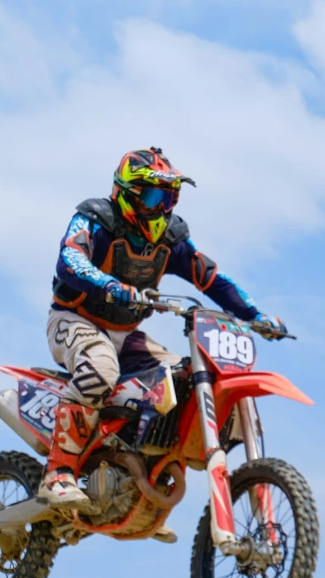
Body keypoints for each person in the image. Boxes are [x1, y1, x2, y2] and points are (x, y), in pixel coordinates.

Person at [39, 147, 285, 510]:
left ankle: (140, 482)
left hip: (127, 336)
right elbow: (69, 260)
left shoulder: (171, 239)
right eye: (156, 195)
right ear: (129, 192)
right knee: (101, 371)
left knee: (182, 383)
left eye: (170, 196)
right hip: (75, 321)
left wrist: (255, 316)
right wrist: (110, 285)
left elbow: (212, 278)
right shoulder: (95, 217)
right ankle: (58, 473)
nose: (164, 206)